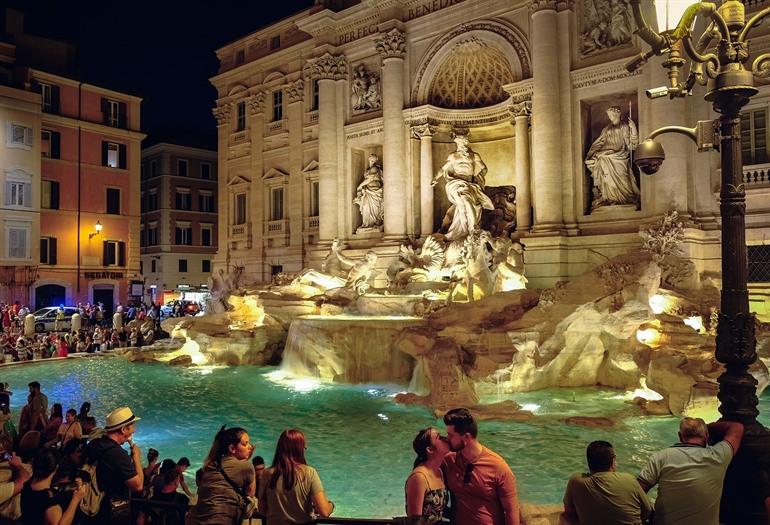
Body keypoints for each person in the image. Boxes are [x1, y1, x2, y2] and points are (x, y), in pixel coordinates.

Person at [637, 417, 743, 525]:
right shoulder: (718, 456)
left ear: (680, 436)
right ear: (707, 436)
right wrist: (708, 427)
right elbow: (737, 427)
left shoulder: (662, 456)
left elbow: (636, 491)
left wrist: (647, 514)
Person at [442, 407, 520, 525]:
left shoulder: (498, 467)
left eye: (451, 435)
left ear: (466, 437)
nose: (447, 439)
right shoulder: (449, 460)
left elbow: (511, 510)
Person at [561, 440, 652, 525]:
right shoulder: (629, 480)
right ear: (613, 461)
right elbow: (648, 511)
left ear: (589, 462)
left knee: (563, 517)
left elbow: (568, 511)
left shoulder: (576, 481)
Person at [258, 428, 334, 525]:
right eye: (304, 448)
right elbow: (324, 512)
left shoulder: (267, 474)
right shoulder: (310, 473)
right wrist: (331, 505)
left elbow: (262, 509)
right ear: (299, 449)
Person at [83, 406, 144, 524]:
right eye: (132, 425)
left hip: (93, 507)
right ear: (123, 429)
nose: (134, 430)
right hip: (109, 511)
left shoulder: (95, 443)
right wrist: (137, 458)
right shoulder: (117, 455)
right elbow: (138, 486)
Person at [187, 425, 255, 525]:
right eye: (245, 444)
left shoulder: (210, 465)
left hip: (195, 520)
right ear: (232, 448)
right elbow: (250, 495)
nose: (250, 447)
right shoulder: (246, 466)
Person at [432, 134, 494, 242]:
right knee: (464, 201)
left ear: (466, 143)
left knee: (468, 205)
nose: (460, 146)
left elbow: (484, 168)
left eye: (462, 143)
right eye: (459, 144)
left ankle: (465, 229)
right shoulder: (453, 156)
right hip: (457, 183)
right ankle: (471, 228)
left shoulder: (474, 156)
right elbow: (443, 169)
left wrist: (479, 177)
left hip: (470, 184)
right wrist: (435, 178)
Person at [585, 106, 640, 210]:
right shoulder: (606, 129)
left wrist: (633, 129)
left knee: (622, 175)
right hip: (605, 154)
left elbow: (632, 145)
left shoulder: (624, 127)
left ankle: (625, 198)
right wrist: (592, 154)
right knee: (600, 160)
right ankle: (608, 197)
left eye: (611, 115)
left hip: (620, 155)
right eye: (609, 115)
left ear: (616, 115)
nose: (610, 117)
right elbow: (600, 142)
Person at [20, 447, 87, 525]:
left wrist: (67, 487)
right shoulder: (49, 499)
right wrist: (76, 500)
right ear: (56, 468)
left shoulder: (27, 484)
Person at [405, 427, 450, 525]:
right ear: (430, 449)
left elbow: (438, 510)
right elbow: (414, 521)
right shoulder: (419, 477)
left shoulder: (439, 471)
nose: (445, 438)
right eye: (439, 437)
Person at [353, 154, 384, 231]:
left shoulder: (374, 168)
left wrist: (359, 186)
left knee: (373, 208)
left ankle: (374, 223)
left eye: (373, 160)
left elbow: (369, 179)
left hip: (374, 190)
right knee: (366, 206)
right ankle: (367, 224)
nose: (371, 161)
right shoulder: (368, 169)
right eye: (370, 160)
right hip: (368, 190)